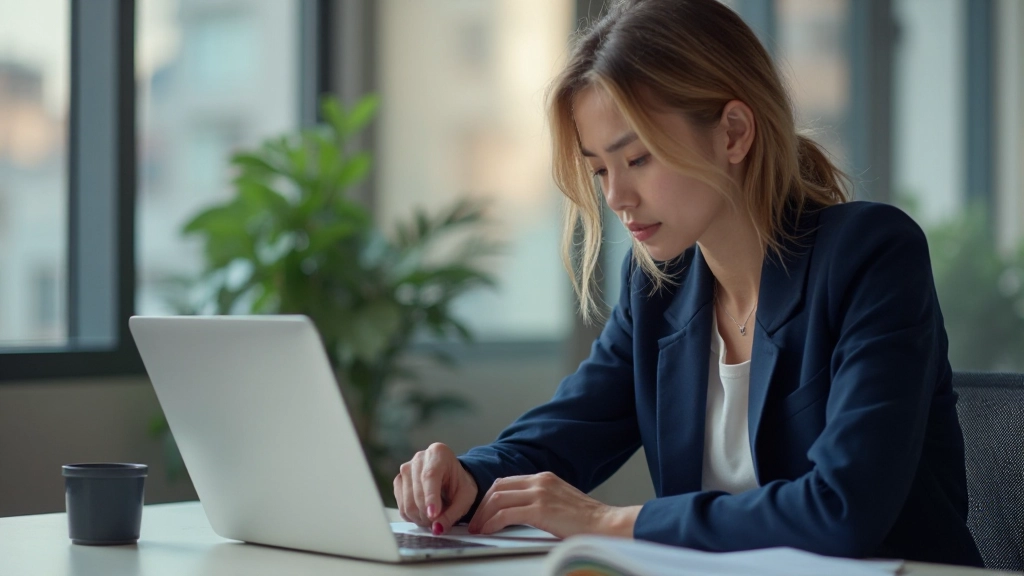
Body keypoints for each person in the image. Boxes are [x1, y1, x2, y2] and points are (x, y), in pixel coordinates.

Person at [392, 0, 983, 566]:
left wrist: (608, 523)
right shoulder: (659, 286)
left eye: (638, 159)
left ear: (733, 133)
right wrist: (467, 476)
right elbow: (565, 432)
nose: (617, 197)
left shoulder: (871, 256)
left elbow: (842, 509)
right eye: (599, 170)